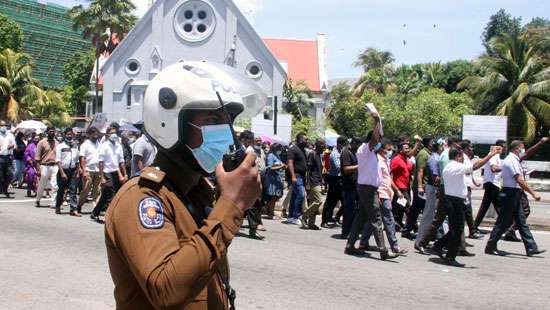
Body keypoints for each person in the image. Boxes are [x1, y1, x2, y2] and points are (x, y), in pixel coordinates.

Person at [105, 61, 261, 309]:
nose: (226, 132)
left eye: (228, 120)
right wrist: (232, 205)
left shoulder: (198, 192)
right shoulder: (143, 198)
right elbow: (166, 290)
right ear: (169, 122)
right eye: (212, 119)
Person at [431, 147, 501, 267]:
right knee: (457, 230)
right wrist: (490, 155)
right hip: (453, 201)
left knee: (457, 229)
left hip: (455, 200)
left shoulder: (453, 166)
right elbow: (475, 166)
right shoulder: (455, 166)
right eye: (462, 156)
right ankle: (450, 257)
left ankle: (438, 245)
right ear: (458, 156)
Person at [345, 109, 398, 260]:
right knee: (376, 219)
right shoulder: (366, 149)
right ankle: (383, 250)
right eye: (378, 142)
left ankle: (349, 246)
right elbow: (374, 139)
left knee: (360, 218)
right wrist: (376, 121)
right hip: (368, 189)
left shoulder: (370, 152)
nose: (380, 145)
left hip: (368, 188)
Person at [485, 140, 546, 257]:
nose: (523, 150)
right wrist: (533, 193)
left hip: (514, 193)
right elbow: (518, 179)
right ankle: (490, 246)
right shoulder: (511, 160)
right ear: (517, 149)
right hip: (510, 193)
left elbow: (527, 154)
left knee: (521, 222)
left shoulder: (514, 159)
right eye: (522, 148)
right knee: (503, 222)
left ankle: (531, 247)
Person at [361, 138, 406, 255]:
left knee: (374, 220)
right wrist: (378, 194)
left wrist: (396, 190)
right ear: (382, 149)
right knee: (389, 219)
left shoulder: (386, 160)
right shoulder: (377, 161)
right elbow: (377, 179)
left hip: (387, 192)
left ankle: (363, 242)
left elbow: (388, 178)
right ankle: (395, 246)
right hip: (381, 193)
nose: (390, 151)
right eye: (388, 149)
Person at [90, 125, 127, 223]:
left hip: (116, 172)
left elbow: (121, 161)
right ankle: (110, 216)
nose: (114, 135)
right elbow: (101, 162)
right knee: (110, 193)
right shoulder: (104, 146)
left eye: (115, 133)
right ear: (107, 134)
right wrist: (101, 177)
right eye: (111, 133)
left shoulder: (118, 145)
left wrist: (125, 174)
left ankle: (95, 213)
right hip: (106, 172)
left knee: (106, 195)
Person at [414, 139, 444, 253]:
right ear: (440, 147)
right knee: (428, 216)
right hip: (433, 189)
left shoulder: (438, 157)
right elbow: (434, 176)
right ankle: (419, 241)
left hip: (435, 189)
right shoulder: (434, 158)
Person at [402, 136, 433, 239]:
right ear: (429, 144)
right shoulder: (423, 154)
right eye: (432, 142)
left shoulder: (428, 153)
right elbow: (420, 171)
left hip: (422, 186)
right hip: (420, 187)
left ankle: (406, 230)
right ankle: (427, 234)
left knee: (415, 210)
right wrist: (420, 186)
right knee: (426, 210)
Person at [473, 139, 506, 233]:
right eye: (503, 147)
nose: (504, 149)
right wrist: (505, 168)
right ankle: (474, 227)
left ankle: (505, 226)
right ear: (498, 146)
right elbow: (494, 169)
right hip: (491, 183)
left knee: (498, 206)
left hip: (494, 184)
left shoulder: (497, 156)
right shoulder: (493, 155)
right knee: (487, 206)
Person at [240, 130, 265, 239]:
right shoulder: (249, 151)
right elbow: (253, 167)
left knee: (249, 205)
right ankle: (253, 229)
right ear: (245, 140)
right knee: (252, 205)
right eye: (249, 140)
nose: (251, 142)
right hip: (248, 181)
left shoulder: (242, 149)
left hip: (244, 181)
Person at [54, 128, 81, 216]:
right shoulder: (60, 146)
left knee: (73, 190)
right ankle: (58, 206)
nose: (69, 136)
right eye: (68, 134)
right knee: (61, 190)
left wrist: (78, 170)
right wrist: (62, 173)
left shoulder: (75, 146)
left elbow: (77, 160)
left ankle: (73, 210)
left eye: (71, 134)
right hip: (63, 171)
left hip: (73, 171)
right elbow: (58, 161)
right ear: (65, 135)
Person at [321, 137, 345, 228]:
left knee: (345, 201)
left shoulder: (341, 153)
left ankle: (336, 217)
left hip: (341, 180)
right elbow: (339, 166)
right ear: (340, 144)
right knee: (330, 201)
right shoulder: (335, 154)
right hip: (335, 179)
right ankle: (324, 221)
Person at [303, 139, 326, 230]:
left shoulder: (319, 155)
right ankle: (304, 216)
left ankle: (311, 223)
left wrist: (322, 180)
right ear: (319, 145)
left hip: (318, 181)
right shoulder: (312, 154)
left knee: (313, 202)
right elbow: (308, 169)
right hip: (313, 181)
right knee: (319, 200)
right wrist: (307, 182)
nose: (325, 147)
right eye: (323, 145)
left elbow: (319, 169)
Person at [340, 137, 360, 238]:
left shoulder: (354, 153)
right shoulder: (346, 153)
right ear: (354, 143)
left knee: (355, 210)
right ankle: (346, 232)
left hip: (355, 186)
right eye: (358, 145)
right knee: (348, 210)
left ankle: (353, 231)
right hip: (348, 186)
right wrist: (359, 166)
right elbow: (346, 169)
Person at [390, 142, 413, 231]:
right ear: (400, 150)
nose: (408, 150)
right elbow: (389, 174)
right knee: (407, 206)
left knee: (399, 206)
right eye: (406, 148)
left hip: (406, 186)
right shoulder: (396, 159)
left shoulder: (406, 159)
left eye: (408, 148)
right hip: (400, 187)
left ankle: (397, 223)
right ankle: (410, 226)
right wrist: (395, 189)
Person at [287, 132, 308, 225]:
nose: (307, 141)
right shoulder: (293, 149)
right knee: (301, 195)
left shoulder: (302, 150)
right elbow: (290, 163)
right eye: (305, 139)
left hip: (302, 176)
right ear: (300, 139)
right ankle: (296, 216)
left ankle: (290, 216)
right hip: (296, 175)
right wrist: (293, 176)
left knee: (294, 196)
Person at [78, 127, 101, 211]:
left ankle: (96, 209)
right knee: (86, 190)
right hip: (88, 170)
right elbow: (82, 158)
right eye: (93, 133)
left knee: (97, 190)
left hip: (98, 170)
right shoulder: (85, 144)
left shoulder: (99, 144)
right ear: (89, 134)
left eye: (96, 133)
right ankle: (79, 205)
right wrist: (84, 171)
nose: (95, 135)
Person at [35, 127, 59, 207]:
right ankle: (38, 199)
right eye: (50, 131)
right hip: (44, 165)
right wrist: (38, 169)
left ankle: (53, 203)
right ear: (47, 132)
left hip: (55, 166)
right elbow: (37, 157)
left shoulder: (57, 143)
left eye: (53, 131)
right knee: (42, 184)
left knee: (55, 185)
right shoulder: (41, 142)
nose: (52, 133)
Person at [265, 143, 286, 219]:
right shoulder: (270, 155)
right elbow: (270, 168)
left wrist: (282, 166)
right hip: (272, 179)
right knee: (274, 196)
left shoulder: (277, 155)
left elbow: (278, 165)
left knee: (278, 195)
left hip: (278, 178)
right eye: (279, 149)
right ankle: (271, 213)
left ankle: (267, 208)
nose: (280, 150)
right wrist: (281, 166)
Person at [0, 121, 15, 198]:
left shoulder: (10, 135)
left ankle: (5, 188)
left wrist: (11, 146)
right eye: (2, 125)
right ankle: (3, 190)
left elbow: (14, 145)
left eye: (5, 125)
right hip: (0, 157)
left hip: (8, 157)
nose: (3, 127)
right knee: (1, 176)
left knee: (10, 174)